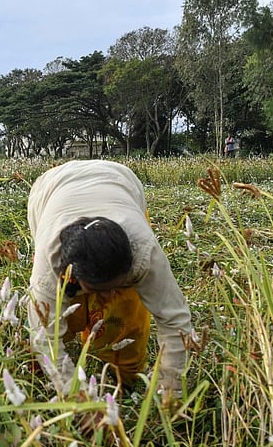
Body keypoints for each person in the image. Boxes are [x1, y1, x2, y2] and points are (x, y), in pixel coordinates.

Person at [26, 160, 194, 396]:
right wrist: (77, 397)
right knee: (59, 315)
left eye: (116, 285)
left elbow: (175, 320)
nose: (107, 296)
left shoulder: (144, 252)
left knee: (126, 314)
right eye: (97, 288)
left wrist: (171, 390)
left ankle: (122, 378)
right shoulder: (49, 263)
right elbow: (44, 337)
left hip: (120, 181)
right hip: (51, 189)